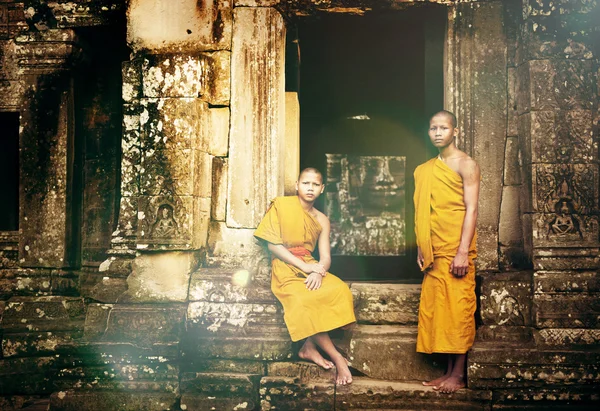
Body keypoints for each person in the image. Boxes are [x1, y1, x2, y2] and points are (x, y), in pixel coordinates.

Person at [254, 167, 356, 385]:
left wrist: (318, 271)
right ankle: (337, 358)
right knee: (304, 299)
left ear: (322, 189)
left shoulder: (322, 219)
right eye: (306, 183)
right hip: (285, 264)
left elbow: (325, 257)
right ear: (297, 185)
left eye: (315, 184)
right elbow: (272, 245)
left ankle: (309, 346)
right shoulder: (282, 206)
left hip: (311, 265)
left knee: (339, 290)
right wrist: (304, 267)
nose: (310, 188)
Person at [414, 110, 480, 393]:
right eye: (433, 128)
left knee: (458, 308)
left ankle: (459, 374)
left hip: (456, 246)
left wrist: (463, 251)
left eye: (443, 128)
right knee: (440, 310)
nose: (438, 133)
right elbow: (422, 211)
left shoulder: (467, 164)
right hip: (434, 248)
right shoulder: (424, 169)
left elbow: (472, 208)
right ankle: (448, 372)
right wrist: (421, 244)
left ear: (455, 131)